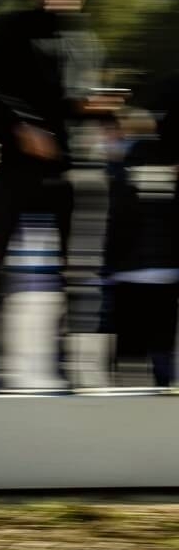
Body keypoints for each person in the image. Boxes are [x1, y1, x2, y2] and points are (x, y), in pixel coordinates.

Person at [0, 0, 118, 382]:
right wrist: (21, 128)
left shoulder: (86, 37)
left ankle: (75, 364)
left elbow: (74, 99)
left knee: (79, 270)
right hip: (18, 167)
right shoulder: (9, 28)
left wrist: (101, 110)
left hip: (74, 168)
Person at [101, 108, 179, 387]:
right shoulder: (171, 166)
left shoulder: (126, 168)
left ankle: (127, 381)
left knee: (129, 325)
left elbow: (120, 218)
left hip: (131, 266)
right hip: (168, 266)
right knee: (162, 324)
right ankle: (163, 377)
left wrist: (108, 264)